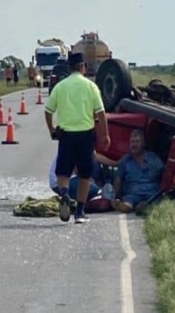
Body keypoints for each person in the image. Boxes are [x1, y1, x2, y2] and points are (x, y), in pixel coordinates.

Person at [44, 52, 111, 224]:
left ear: (68, 68)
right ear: (83, 67)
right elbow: (101, 113)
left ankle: (65, 194)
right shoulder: (91, 86)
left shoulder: (60, 86)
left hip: (66, 134)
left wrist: (52, 129)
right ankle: (80, 212)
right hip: (85, 134)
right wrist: (105, 135)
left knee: (63, 171)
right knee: (84, 175)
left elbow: (48, 111)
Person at [111, 129, 165, 214]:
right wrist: (113, 197)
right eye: (132, 142)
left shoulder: (154, 158)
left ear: (143, 144)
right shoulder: (125, 160)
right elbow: (118, 181)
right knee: (126, 205)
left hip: (152, 194)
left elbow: (165, 175)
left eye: (137, 141)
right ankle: (131, 207)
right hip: (133, 195)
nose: (134, 144)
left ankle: (145, 207)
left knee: (156, 203)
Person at [48, 151, 119, 201]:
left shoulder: (86, 138)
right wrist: (87, 179)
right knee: (93, 190)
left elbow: (95, 156)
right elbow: (76, 167)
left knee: (95, 164)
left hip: (76, 175)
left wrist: (116, 164)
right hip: (62, 182)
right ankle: (68, 197)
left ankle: (103, 186)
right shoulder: (74, 139)